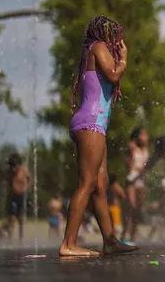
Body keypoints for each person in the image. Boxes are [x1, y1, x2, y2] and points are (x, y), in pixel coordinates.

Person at [59, 15, 136, 257]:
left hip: (94, 125)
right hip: (90, 124)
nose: (117, 42)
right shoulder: (98, 46)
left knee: (100, 187)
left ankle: (110, 240)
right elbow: (113, 74)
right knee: (87, 183)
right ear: (106, 35)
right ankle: (68, 244)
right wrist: (123, 60)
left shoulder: (91, 51)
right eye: (115, 37)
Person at [122, 126, 150, 243]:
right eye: (143, 135)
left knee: (138, 210)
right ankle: (124, 236)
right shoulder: (132, 146)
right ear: (138, 136)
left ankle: (132, 238)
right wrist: (130, 165)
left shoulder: (146, 150)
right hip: (131, 180)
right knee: (131, 207)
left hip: (141, 181)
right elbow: (124, 157)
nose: (145, 138)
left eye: (146, 135)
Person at [0, 153, 30, 241]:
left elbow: (30, 179)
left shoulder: (23, 171)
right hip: (12, 196)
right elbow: (5, 181)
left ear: (19, 164)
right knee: (12, 219)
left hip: (21, 196)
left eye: (14, 166)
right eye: (11, 166)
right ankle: (10, 238)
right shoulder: (9, 172)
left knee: (20, 219)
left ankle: (21, 238)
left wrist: (26, 187)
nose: (13, 168)